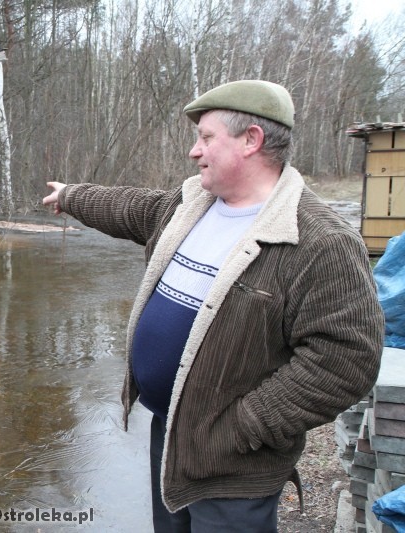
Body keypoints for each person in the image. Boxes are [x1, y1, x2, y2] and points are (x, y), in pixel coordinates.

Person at [42, 80, 384, 532]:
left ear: (251, 140)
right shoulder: (192, 205)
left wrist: (238, 429)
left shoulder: (320, 241)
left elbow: (344, 361)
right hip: (172, 436)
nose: (194, 150)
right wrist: (71, 196)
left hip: (234, 464)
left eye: (205, 137)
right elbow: (129, 208)